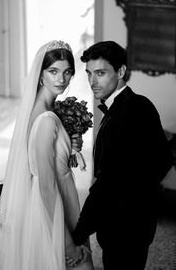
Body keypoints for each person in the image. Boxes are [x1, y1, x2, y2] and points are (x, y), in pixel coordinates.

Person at [71, 41, 174, 269]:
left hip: (122, 230)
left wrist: (80, 233)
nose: (92, 82)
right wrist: (139, 191)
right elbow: (164, 160)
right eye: (89, 74)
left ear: (121, 72)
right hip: (141, 224)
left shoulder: (122, 117)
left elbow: (106, 184)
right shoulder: (142, 103)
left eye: (100, 73)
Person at [0, 40, 94, 270]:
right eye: (53, 71)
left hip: (58, 204)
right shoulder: (46, 120)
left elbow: (44, 162)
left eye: (67, 72)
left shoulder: (45, 111)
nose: (61, 79)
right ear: (40, 75)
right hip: (54, 212)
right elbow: (46, 186)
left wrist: (68, 147)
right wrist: (67, 244)